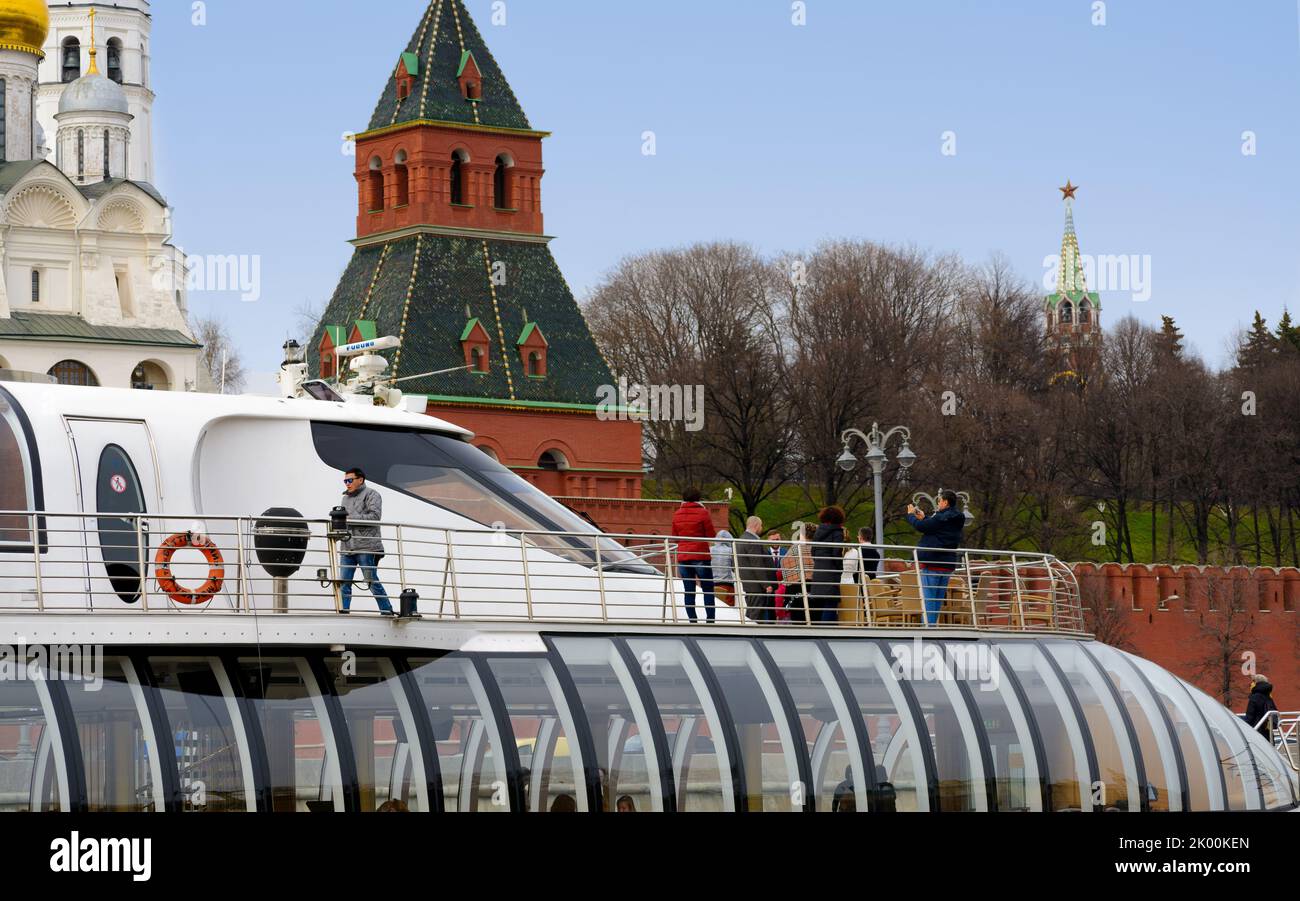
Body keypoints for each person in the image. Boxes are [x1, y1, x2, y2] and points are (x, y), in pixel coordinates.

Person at [338, 468, 395, 615]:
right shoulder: (345, 498)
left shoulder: (372, 494)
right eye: (345, 481)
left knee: (371, 581)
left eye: (350, 480)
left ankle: (387, 611)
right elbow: (345, 521)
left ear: (360, 480)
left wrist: (350, 518)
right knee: (344, 583)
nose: (347, 483)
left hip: (367, 547)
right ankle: (343, 612)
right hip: (347, 546)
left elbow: (375, 517)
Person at [906, 491, 966, 627]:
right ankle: (932, 626)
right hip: (946, 565)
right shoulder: (957, 518)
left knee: (929, 597)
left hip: (932, 562)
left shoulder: (941, 517)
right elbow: (935, 527)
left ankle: (928, 628)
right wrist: (925, 517)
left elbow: (922, 527)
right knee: (937, 598)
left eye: (939, 501)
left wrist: (911, 516)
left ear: (945, 502)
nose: (938, 504)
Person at [671, 489, 715, 623]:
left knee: (689, 590)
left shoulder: (677, 514)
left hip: (683, 556)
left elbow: (675, 537)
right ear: (698, 498)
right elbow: (711, 535)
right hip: (700, 555)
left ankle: (692, 620)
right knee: (708, 589)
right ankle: (710, 621)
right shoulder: (703, 512)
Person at [810, 507, 847, 624]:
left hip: (818, 572)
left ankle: (820, 629)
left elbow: (813, 552)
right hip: (831, 573)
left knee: (821, 605)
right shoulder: (838, 533)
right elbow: (836, 553)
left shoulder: (818, 531)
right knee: (831, 603)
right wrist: (840, 568)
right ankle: (827, 630)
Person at [737, 517, 777, 622]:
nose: (761, 528)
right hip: (757, 586)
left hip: (750, 585)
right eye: (761, 525)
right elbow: (757, 564)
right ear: (756, 525)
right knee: (756, 616)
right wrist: (766, 584)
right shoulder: (752, 541)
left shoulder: (741, 539)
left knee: (751, 615)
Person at [781, 523, 815, 624]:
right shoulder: (818, 548)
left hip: (795, 590)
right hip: (814, 590)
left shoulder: (794, 549)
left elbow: (784, 563)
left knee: (798, 622)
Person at [1244, 674, 1279, 743]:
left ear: (1255, 683)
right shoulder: (1268, 696)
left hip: (1256, 731)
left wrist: (1243, 727)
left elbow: (1249, 717)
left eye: (1252, 682)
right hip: (1267, 732)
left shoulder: (1254, 697)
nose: (1250, 684)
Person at [712, 528, 736, 608]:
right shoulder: (731, 551)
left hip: (711, 584)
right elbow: (734, 568)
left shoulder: (710, 550)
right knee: (728, 609)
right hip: (727, 584)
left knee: (713, 608)